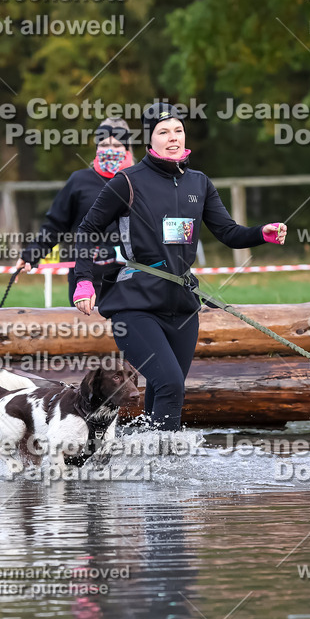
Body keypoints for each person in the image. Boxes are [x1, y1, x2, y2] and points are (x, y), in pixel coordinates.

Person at [72, 102, 287, 430]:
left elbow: (228, 233)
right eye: (163, 132)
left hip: (182, 306)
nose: (173, 137)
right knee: (171, 382)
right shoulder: (126, 182)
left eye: (178, 130)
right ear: (149, 140)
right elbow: (86, 230)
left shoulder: (199, 183)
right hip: (135, 304)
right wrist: (84, 280)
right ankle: (163, 460)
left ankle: (147, 453)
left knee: (165, 388)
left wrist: (261, 233)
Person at [15, 118, 135, 304]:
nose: (109, 150)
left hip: (130, 277)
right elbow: (56, 224)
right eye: (104, 144)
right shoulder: (79, 181)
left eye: (116, 144)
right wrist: (32, 253)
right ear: (96, 148)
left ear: (126, 149)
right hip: (86, 277)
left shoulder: (138, 181)